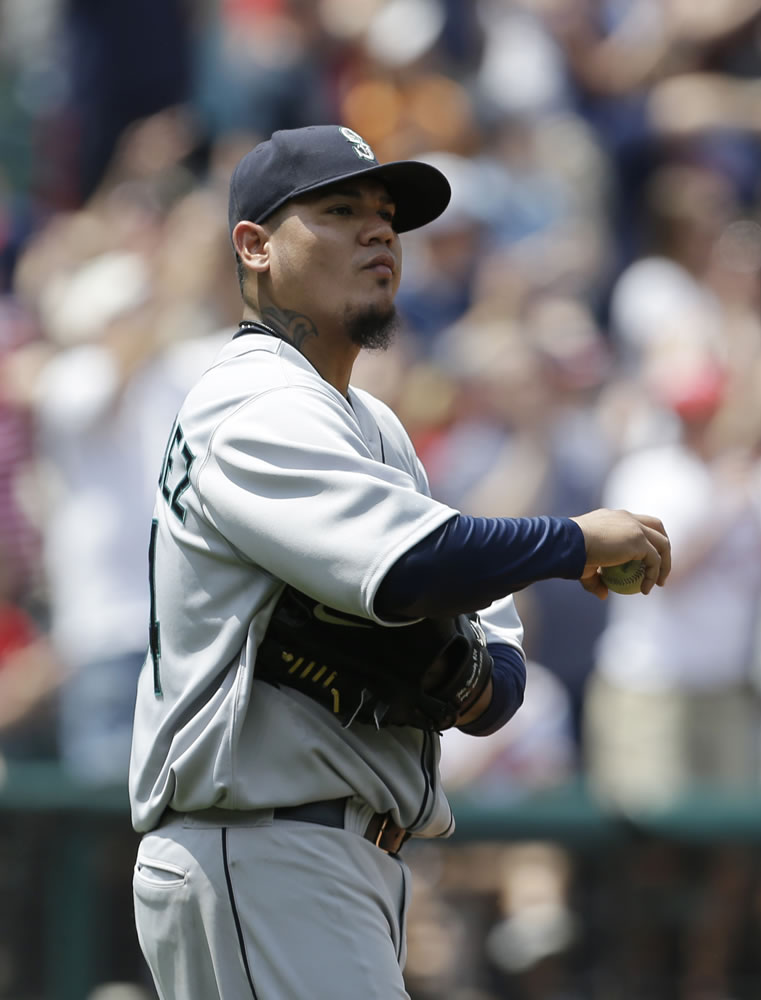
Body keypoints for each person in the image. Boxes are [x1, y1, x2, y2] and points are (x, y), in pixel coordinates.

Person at [128, 124, 670, 1000]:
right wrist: (571, 543)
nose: (379, 233)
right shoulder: (252, 399)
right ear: (254, 246)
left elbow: (486, 651)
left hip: (335, 856)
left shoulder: (368, 423)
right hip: (262, 844)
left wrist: (471, 678)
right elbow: (415, 569)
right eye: (339, 211)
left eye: (386, 217)